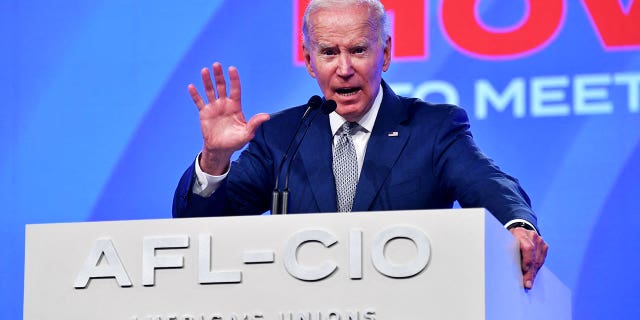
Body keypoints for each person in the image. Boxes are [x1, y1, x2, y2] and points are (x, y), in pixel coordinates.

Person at [173, 0, 548, 289]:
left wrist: (516, 226)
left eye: (358, 50)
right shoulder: (281, 135)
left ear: (385, 53)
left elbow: (488, 184)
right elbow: (202, 233)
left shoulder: (432, 128)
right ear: (308, 60)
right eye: (329, 53)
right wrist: (216, 158)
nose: (344, 68)